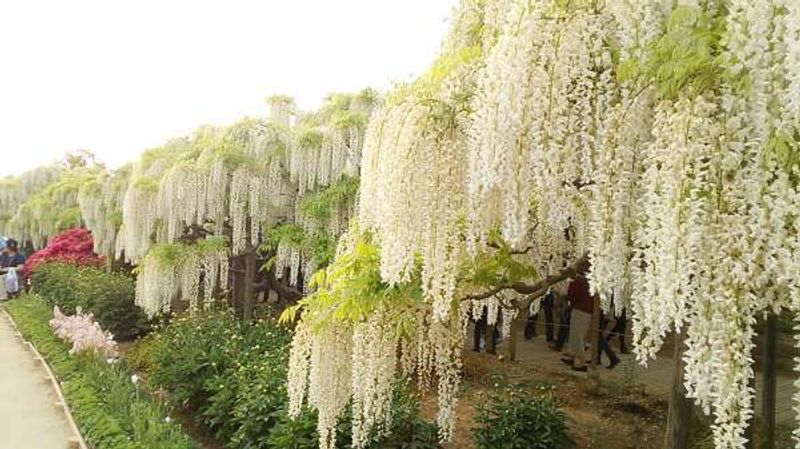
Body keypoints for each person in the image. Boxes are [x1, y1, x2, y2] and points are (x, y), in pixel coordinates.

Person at [561, 273, 593, 372]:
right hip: (587, 310)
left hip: (580, 309)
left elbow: (573, 295)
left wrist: (565, 298)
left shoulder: (579, 280)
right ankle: (572, 357)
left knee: (577, 335)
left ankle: (578, 362)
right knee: (578, 334)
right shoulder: (591, 279)